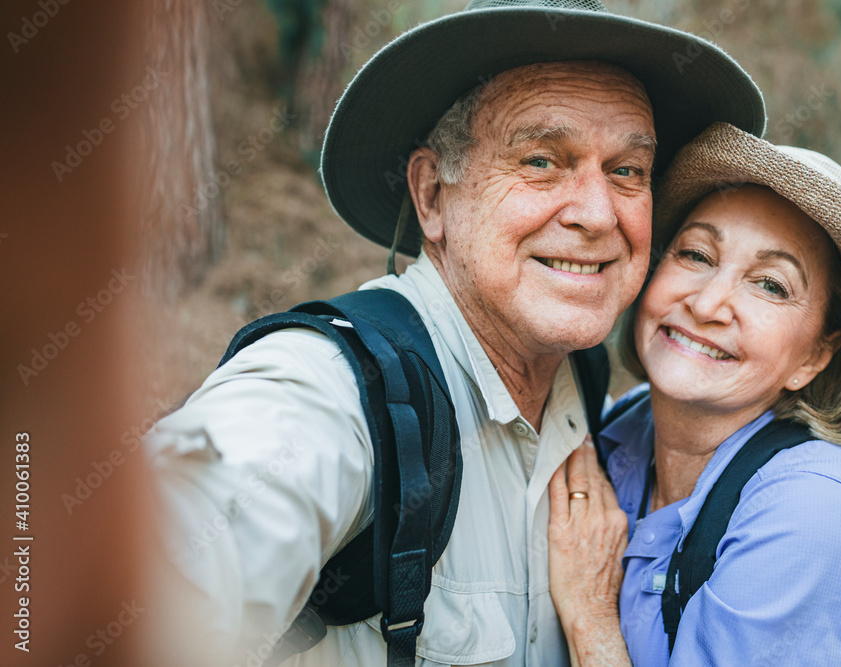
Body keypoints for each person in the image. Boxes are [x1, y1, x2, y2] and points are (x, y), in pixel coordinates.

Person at [146, 1, 766, 665]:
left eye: (627, 172)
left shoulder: (586, 391)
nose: (595, 213)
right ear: (433, 197)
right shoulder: (331, 393)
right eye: (540, 160)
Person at [548, 121, 841, 665]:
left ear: (815, 357)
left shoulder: (813, 516)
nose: (707, 305)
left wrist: (590, 619)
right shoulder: (623, 428)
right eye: (696, 255)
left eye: (771, 285)